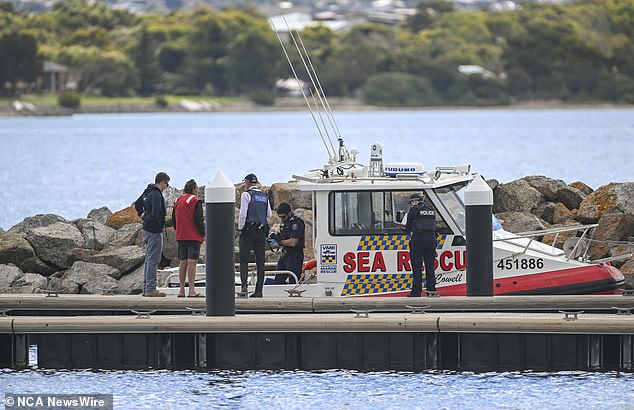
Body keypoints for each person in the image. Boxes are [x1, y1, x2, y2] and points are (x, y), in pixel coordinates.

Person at [135, 172, 170, 297]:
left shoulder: (147, 191)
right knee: (153, 260)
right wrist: (149, 218)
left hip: (146, 229)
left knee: (148, 259)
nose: (167, 186)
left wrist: (142, 215)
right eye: (167, 183)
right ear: (162, 182)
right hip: (154, 230)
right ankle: (150, 288)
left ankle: (146, 288)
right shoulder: (155, 194)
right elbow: (156, 213)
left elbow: (137, 204)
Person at [238, 173, 272, 298]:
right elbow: (268, 214)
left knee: (244, 260)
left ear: (247, 183)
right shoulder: (264, 196)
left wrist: (240, 227)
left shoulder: (246, 195)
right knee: (260, 261)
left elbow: (242, 214)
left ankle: (244, 287)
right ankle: (259, 290)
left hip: (248, 231)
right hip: (261, 232)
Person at [172, 179, 205, 298]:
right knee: (192, 262)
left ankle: (181, 290)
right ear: (193, 189)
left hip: (181, 235)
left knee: (183, 262)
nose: (198, 191)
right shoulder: (195, 201)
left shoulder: (177, 200)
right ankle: (191, 290)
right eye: (197, 189)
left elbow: (174, 220)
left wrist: (179, 230)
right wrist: (203, 233)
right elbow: (198, 220)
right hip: (193, 235)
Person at [404, 193, 437, 297]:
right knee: (430, 267)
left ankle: (416, 292)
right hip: (431, 240)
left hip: (418, 240)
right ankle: (431, 291)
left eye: (412, 202)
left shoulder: (414, 210)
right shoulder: (431, 209)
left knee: (417, 267)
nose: (412, 204)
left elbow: (408, 227)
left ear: (416, 201)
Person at [271, 203, 305, 284]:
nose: (282, 219)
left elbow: (293, 242)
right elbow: (284, 239)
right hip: (285, 254)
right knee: (278, 280)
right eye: (280, 217)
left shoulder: (296, 224)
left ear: (289, 213)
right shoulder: (285, 223)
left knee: (293, 280)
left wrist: (279, 241)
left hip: (294, 255)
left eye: (283, 217)